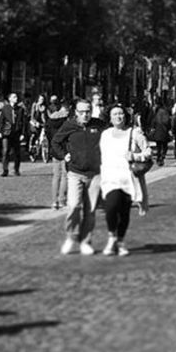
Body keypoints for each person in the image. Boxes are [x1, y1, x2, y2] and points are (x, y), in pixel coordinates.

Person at [52, 99, 106, 255]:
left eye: (88, 111)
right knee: (74, 206)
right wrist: (64, 156)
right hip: (75, 173)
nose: (85, 115)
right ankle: (71, 236)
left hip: (95, 174)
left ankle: (85, 241)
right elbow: (55, 142)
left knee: (90, 211)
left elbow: (112, 137)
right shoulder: (69, 125)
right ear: (76, 112)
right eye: (82, 112)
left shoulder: (99, 125)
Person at [98, 105, 150, 257]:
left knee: (124, 211)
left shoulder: (134, 133)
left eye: (121, 114)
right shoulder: (106, 134)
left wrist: (135, 156)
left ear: (125, 116)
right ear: (110, 117)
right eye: (115, 114)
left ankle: (120, 241)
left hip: (129, 180)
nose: (118, 117)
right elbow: (103, 156)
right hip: (110, 179)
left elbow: (147, 151)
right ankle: (111, 237)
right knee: (111, 207)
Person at [45, 97, 70, 210]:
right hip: (66, 150)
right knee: (65, 175)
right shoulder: (67, 121)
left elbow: (48, 134)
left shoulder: (51, 120)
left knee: (56, 175)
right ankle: (62, 200)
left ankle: (54, 201)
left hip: (55, 149)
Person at [0, 92, 27, 177]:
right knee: (5, 151)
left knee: (17, 152)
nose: (16, 98)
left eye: (16, 97)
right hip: (7, 133)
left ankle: (16, 169)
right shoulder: (5, 108)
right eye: (14, 97)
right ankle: (5, 170)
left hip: (16, 133)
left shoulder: (20, 109)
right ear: (10, 99)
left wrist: (23, 134)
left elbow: (24, 123)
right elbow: (1, 121)